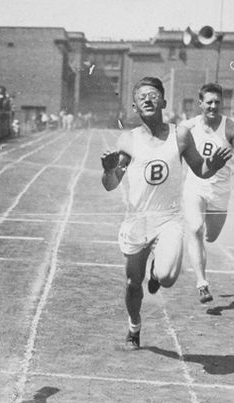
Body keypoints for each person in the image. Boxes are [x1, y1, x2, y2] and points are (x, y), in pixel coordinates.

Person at [100, 77, 231, 350]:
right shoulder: (128, 139)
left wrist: (213, 165)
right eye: (142, 97)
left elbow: (201, 170)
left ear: (164, 101)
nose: (148, 99)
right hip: (137, 220)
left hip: (168, 218)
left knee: (168, 276)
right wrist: (108, 170)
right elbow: (111, 184)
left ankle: (157, 274)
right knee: (132, 284)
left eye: (153, 95)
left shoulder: (180, 134)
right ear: (135, 106)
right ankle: (134, 328)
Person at [180, 83, 234, 303]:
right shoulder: (188, 127)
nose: (213, 106)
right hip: (195, 187)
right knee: (195, 229)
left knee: (211, 236)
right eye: (209, 102)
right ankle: (202, 283)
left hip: (220, 190)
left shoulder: (230, 128)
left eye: (217, 102)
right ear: (200, 103)